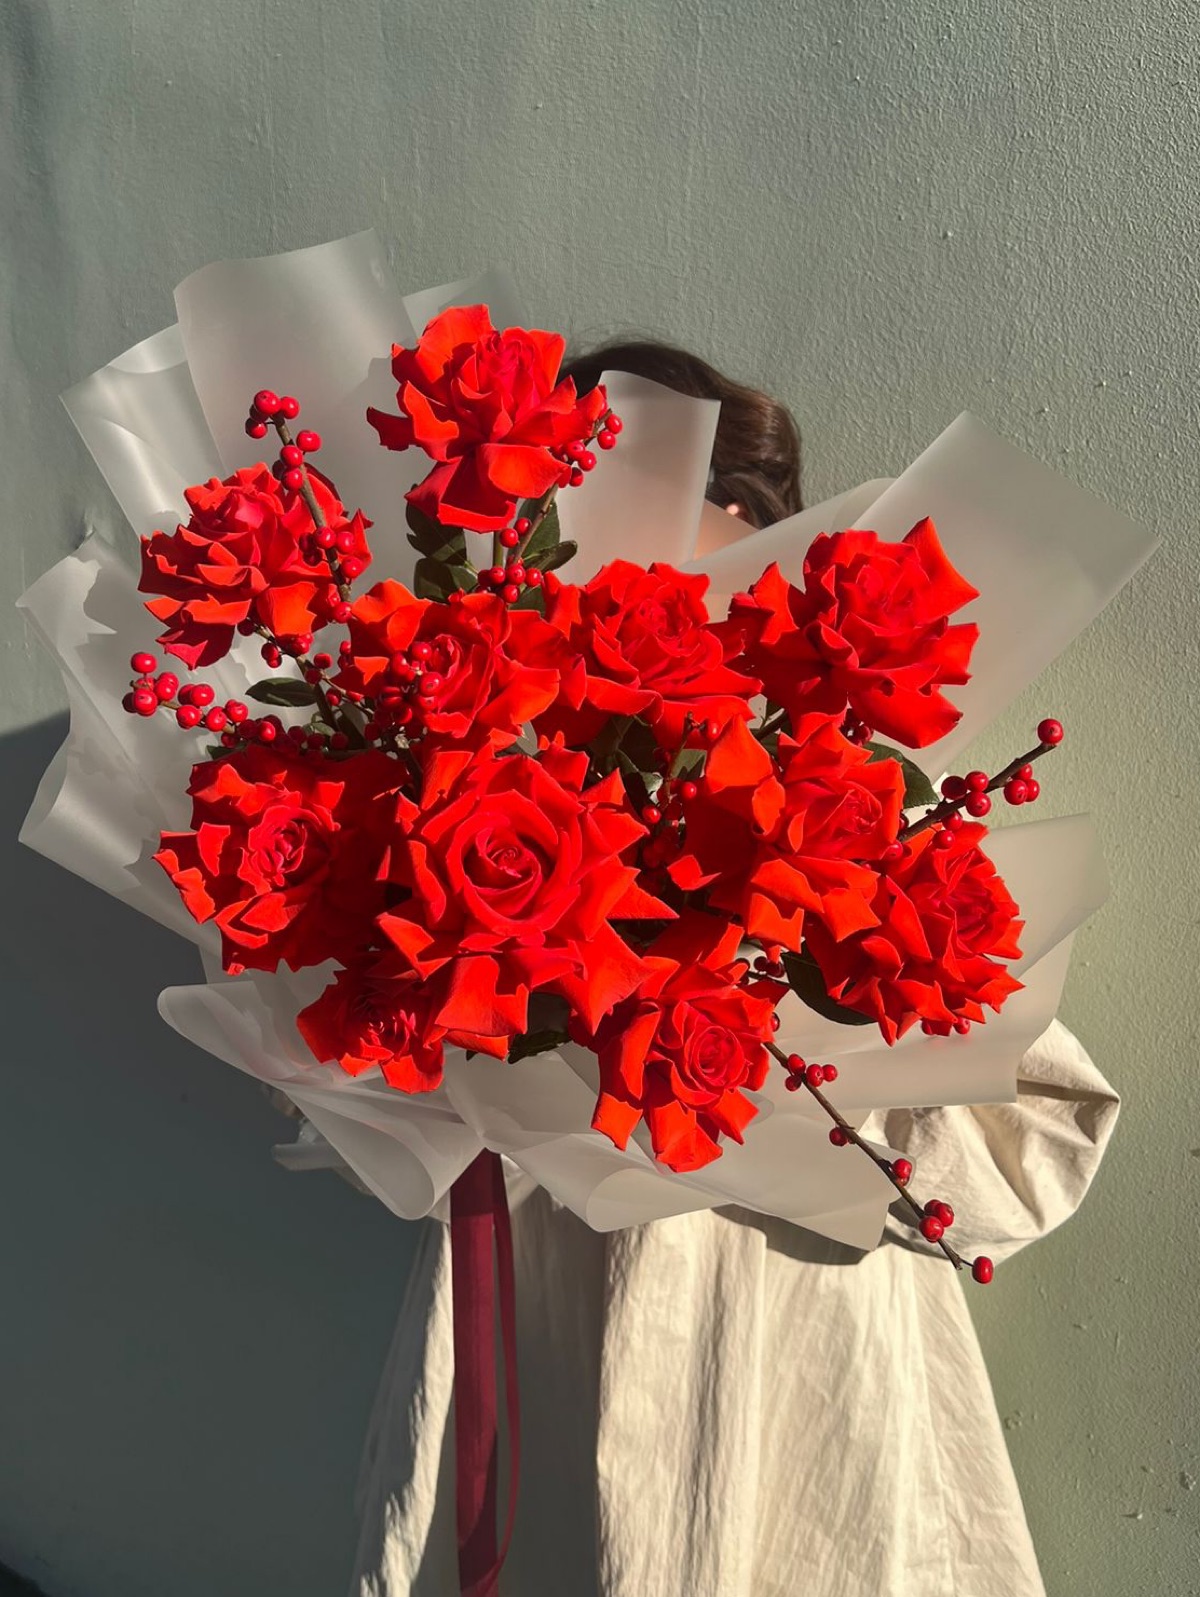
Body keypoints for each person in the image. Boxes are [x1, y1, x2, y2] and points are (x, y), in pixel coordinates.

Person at [345, 340, 1120, 1597]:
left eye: (726, 502)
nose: (669, 544)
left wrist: (796, 1051)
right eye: (600, 494)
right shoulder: (449, 785)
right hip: (543, 1332)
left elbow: (1035, 1156)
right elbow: (361, 1118)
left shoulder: (857, 817)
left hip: (796, 1359)